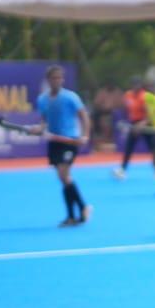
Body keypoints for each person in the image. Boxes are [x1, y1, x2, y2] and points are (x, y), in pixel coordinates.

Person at [31, 65, 92, 227]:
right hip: (55, 141)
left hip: (70, 141)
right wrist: (39, 129)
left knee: (64, 175)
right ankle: (72, 215)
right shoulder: (42, 99)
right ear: (48, 80)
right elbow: (44, 121)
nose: (57, 80)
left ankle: (82, 207)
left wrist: (85, 135)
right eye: (54, 78)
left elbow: (83, 116)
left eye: (59, 78)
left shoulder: (71, 97)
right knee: (62, 178)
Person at [114, 76, 150, 180]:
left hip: (145, 123)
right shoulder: (128, 95)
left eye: (137, 84)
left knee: (152, 147)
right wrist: (125, 122)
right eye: (134, 85)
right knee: (129, 147)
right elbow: (126, 109)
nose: (135, 87)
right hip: (133, 123)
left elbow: (149, 114)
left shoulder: (144, 96)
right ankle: (123, 169)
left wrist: (142, 124)